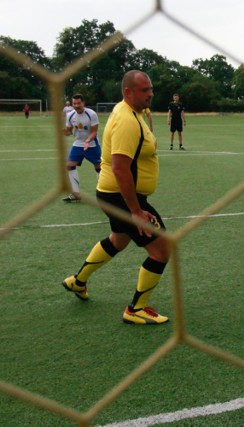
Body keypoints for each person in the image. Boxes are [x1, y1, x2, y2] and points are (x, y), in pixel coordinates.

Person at [61, 70, 171, 325]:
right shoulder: (126, 121)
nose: (151, 94)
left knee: (118, 240)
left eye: (151, 89)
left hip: (113, 195)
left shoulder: (133, 112)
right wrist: (135, 210)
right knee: (161, 250)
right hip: (122, 198)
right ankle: (136, 309)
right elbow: (121, 168)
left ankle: (78, 282)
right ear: (128, 92)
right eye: (145, 90)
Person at [62, 93, 101, 202]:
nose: (76, 105)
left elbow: (94, 132)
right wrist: (63, 132)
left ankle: (103, 193)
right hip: (78, 144)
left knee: (99, 167)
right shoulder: (70, 115)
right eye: (74, 103)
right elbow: (69, 132)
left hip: (92, 144)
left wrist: (88, 140)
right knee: (70, 165)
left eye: (78, 103)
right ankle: (76, 194)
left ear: (83, 103)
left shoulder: (91, 114)